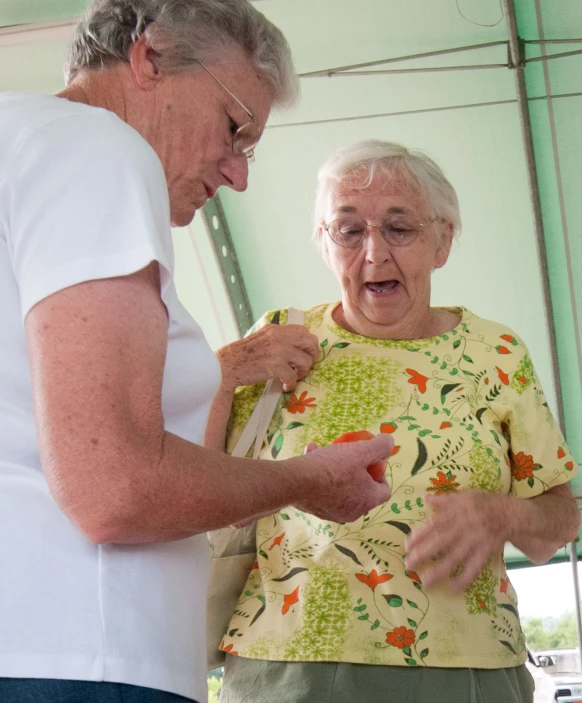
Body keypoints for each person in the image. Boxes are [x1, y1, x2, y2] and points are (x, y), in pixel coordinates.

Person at [0, 4, 394, 702]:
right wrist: (304, 481)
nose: (238, 175)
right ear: (150, 59)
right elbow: (113, 486)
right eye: (235, 128)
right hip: (80, 656)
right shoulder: (98, 146)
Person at [208, 140, 581, 703]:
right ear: (323, 243)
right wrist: (222, 370)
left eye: (399, 229)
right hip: (291, 666)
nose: (375, 255)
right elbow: (196, 478)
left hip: (468, 667)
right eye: (349, 231)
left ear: (443, 240)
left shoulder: (496, 353)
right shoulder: (280, 335)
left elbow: (560, 517)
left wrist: (500, 513)